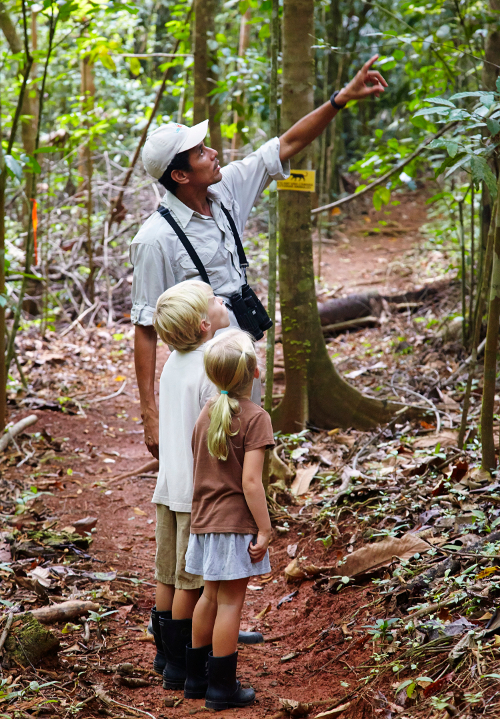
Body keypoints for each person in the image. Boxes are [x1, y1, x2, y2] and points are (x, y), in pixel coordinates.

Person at [131, 54, 388, 461]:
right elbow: (145, 326)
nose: (214, 153)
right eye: (200, 153)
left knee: (247, 446)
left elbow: (286, 144)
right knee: (210, 458)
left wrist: (342, 99)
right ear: (179, 175)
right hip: (200, 367)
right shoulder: (155, 239)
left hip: (244, 349)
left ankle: (250, 515)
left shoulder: (227, 190)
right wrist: (149, 411)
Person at [183, 329, 275, 710]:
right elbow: (251, 482)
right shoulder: (256, 418)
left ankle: (196, 679)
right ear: (254, 372)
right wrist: (266, 528)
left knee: (209, 595)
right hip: (235, 524)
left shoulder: (207, 411)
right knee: (230, 603)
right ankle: (222, 688)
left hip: (203, 522)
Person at [149, 280, 229, 688]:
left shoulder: (172, 364)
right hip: (195, 494)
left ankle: (165, 656)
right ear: (202, 325)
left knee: (167, 574)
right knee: (188, 581)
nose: (222, 301)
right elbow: (215, 435)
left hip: (168, 486)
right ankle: (184, 664)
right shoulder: (208, 369)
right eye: (214, 301)